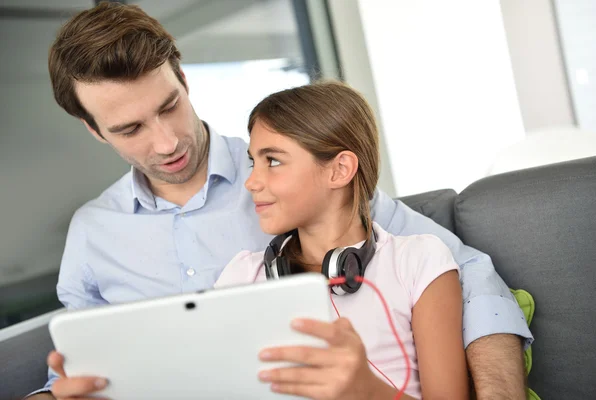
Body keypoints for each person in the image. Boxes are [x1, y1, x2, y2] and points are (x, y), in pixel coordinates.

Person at [28, 2, 532, 399]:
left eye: (169, 107)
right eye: (130, 128)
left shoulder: (303, 178)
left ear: (183, 79)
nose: (165, 142)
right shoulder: (92, 233)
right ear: (94, 130)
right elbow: (79, 365)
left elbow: (468, 274)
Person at [213, 81, 468, 399]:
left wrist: (366, 389)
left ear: (339, 170)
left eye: (273, 161)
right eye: (254, 162)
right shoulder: (242, 276)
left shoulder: (418, 260)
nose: (251, 182)